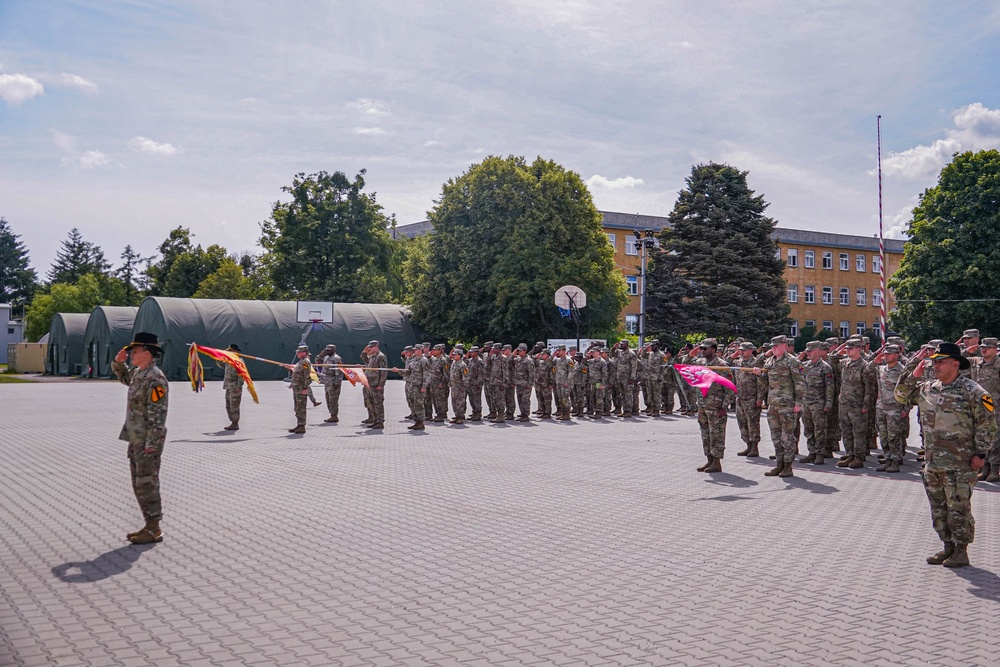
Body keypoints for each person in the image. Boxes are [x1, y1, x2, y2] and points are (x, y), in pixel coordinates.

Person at [895, 342, 996, 568]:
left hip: (960, 464)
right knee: (938, 508)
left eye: (940, 361)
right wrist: (913, 373)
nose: (936, 365)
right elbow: (901, 396)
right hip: (933, 461)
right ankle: (947, 546)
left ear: (955, 364)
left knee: (958, 508)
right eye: (935, 362)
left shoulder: (974, 392)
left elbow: (987, 425)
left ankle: (961, 551)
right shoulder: (928, 388)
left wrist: (980, 454)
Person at [111, 332, 169, 545]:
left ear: (147, 352)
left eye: (134, 351)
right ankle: (149, 524)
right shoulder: (138, 374)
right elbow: (125, 378)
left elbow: (158, 415)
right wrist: (119, 365)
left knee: (147, 483)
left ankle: (154, 528)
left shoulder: (156, 378)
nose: (131, 355)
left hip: (147, 441)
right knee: (139, 484)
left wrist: (151, 445)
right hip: (136, 438)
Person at [756, 335, 804, 477]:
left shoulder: (792, 362)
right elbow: (766, 384)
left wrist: (798, 403)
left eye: (776, 346)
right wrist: (759, 375)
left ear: (784, 346)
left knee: (787, 437)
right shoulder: (770, 362)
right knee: (775, 436)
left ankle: (788, 466)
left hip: (787, 405)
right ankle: (779, 464)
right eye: (772, 346)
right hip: (773, 404)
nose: (773, 348)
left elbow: (800, 383)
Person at [693, 338, 733, 473]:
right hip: (702, 405)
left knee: (717, 434)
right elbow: (684, 364)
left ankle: (717, 462)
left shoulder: (722, 365)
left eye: (705, 348)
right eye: (701, 348)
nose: (702, 351)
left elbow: (730, 388)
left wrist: (724, 406)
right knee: (705, 433)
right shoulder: (700, 362)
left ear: (713, 350)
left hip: (716, 406)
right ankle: (709, 460)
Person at [800, 341, 835, 465]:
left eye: (810, 351)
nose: (808, 353)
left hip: (819, 404)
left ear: (817, 351)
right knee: (808, 429)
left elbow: (830, 387)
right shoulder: (804, 366)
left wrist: (828, 404)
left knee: (819, 430)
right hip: (806, 403)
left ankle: (820, 453)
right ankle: (812, 452)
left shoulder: (825, 367)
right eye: (807, 351)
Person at [285, 344, 312, 434]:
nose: (297, 354)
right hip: (297, 387)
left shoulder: (305, 362)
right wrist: (290, 368)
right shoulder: (300, 362)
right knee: (297, 407)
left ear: (304, 352)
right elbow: (298, 372)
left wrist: (305, 388)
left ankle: (302, 425)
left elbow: (307, 375)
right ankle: (299, 424)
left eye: (299, 352)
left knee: (301, 407)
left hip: (301, 388)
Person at [315, 343, 343, 424]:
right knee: (328, 399)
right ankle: (331, 414)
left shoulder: (336, 358)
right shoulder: (326, 358)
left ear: (333, 350)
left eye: (329, 350)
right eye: (326, 350)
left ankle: (334, 415)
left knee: (333, 400)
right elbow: (318, 363)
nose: (327, 351)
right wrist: (320, 356)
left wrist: (337, 382)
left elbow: (339, 371)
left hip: (333, 382)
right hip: (326, 382)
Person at [219, 343, 244, 431]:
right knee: (228, 406)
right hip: (228, 386)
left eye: (231, 351)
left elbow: (242, 375)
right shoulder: (228, 361)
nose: (229, 352)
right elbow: (220, 363)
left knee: (234, 406)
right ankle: (232, 422)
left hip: (235, 386)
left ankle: (235, 423)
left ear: (235, 351)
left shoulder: (239, 361)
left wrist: (239, 386)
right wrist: (222, 354)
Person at [364, 340, 388, 429]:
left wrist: (381, 384)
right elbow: (364, 359)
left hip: (376, 384)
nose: (369, 348)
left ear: (376, 347)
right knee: (372, 403)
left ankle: (380, 421)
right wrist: (364, 352)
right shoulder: (372, 356)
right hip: (370, 384)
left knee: (378, 404)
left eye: (371, 347)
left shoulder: (380, 357)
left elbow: (383, 372)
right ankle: (375, 420)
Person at [448, 348, 469, 424]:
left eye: (455, 355)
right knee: (454, 402)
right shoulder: (454, 363)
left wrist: (464, 387)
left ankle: (460, 417)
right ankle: (456, 416)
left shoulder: (463, 365)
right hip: (454, 387)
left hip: (460, 387)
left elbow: (465, 376)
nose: (453, 356)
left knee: (460, 402)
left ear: (459, 355)